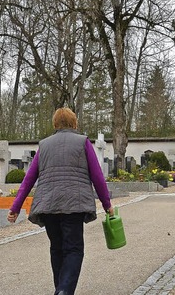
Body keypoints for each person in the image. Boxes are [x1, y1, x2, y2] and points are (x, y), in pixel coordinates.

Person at [7, 107, 114, 295]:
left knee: (57, 248)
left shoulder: (44, 145)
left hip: (48, 205)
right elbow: (97, 175)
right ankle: (64, 290)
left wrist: (15, 207)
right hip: (74, 204)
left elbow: (29, 178)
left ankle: (61, 289)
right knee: (73, 249)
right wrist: (107, 205)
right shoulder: (82, 142)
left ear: (55, 124)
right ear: (74, 123)